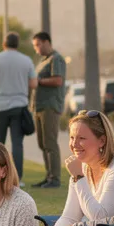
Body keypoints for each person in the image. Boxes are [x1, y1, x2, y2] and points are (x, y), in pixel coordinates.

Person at [0, 32, 37, 178]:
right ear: (17, 44)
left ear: (4, 44)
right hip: (18, 106)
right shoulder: (26, 60)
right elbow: (33, 83)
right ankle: (17, 177)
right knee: (17, 144)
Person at [31, 32, 67, 188]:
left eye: (38, 44)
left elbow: (57, 80)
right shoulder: (42, 61)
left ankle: (55, 179)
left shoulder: (56, 59)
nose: (36, 48)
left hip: (50, 106)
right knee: (42, 143)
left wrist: (38, 81)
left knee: (50, 143)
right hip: (38, 106)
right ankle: (48, 176)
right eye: (34, 45)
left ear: (47, 42)